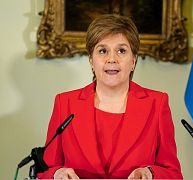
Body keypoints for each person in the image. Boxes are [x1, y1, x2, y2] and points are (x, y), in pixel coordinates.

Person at [37, 14, 183, 179]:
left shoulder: (157, 104)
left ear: (133, 60)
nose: (111, 59)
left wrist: (150, 173)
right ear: (92, 60)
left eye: (121, 50)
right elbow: (45, 171)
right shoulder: (65, 103)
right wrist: (57, 174)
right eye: (102, 51)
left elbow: (173, 174)